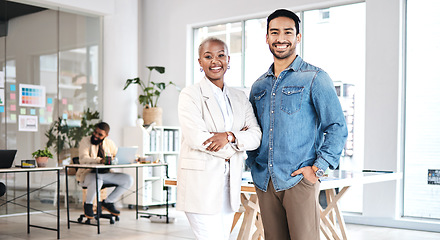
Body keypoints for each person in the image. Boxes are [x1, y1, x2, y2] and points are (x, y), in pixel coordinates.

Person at [247, 9, 348, 240]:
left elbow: (336, 126)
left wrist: (317, 169)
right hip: (266, 181)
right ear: (267, 38)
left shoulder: (315, 77)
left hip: (299, 179)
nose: (280, 38)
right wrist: (254, 165)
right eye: (274, 32)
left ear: (298, 37)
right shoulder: (258, 86)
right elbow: (253, 130)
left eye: (287, 32)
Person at [177, 37, 262, 240]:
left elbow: (256, 136)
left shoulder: (240, 97)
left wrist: (229, 136)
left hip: (229, 185)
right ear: (200, 62)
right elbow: (197, 138)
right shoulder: (190, 94)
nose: (215, 61)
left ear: (228, 60)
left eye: (220, 55)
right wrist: (239, 142)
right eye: (208, 56)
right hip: (200, 185)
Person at [76, 122, 133, 219]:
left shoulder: (109, 143)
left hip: (105, 175)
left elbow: (116, 156)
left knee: (128, 179)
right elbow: (83, 159)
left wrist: (132, 159)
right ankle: (88, 204)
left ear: (106, 135)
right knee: (97, 180)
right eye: (95, 132)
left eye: (100, 135)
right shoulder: (85, 141)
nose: (96, 136)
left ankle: (108, 202)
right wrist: (99, 160)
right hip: (88, 175)